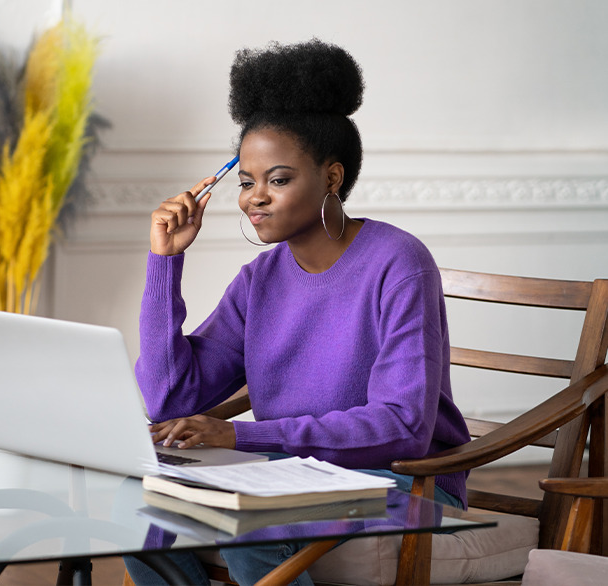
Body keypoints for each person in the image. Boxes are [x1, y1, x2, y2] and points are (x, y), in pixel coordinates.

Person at [125, 39, 471, 586]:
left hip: (404, 479)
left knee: (246, 523)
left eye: (278, 179)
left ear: (331, 179)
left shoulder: (399, 263)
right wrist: (165, 264)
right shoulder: (259, 280)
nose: (254, 198)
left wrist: (240, 438)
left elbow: (402, 426)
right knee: (132, 505)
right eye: (246, 181)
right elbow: (170, 397)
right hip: (290, 472)